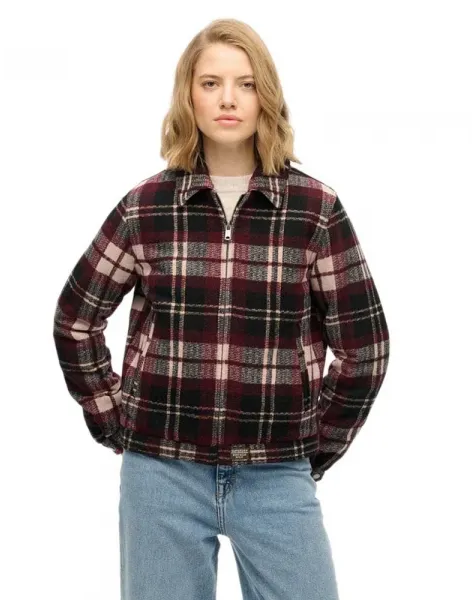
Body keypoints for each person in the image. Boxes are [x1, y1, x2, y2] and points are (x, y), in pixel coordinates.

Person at [52, 17, 390, 600]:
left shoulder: (314, 210)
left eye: (245, 83)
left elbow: (366, 349)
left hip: (277, 475)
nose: (228, 99)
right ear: (189, 95)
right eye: (211, 83)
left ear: (267, 96)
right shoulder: (146, 207)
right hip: (161, 472)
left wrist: (316, 443)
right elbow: (76, 319)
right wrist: (113, 419)